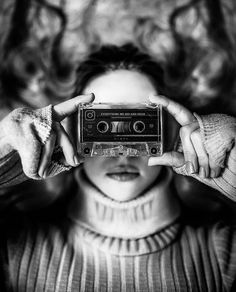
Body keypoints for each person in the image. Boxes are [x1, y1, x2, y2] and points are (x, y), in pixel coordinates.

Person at [0, 44, 235, 291]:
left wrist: (229, 158)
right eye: (102, 125)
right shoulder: (13, 247)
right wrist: (6, 152)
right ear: (71, 130)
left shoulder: (225, 253)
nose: (122, 150)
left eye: (140, 125)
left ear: (169, 128)